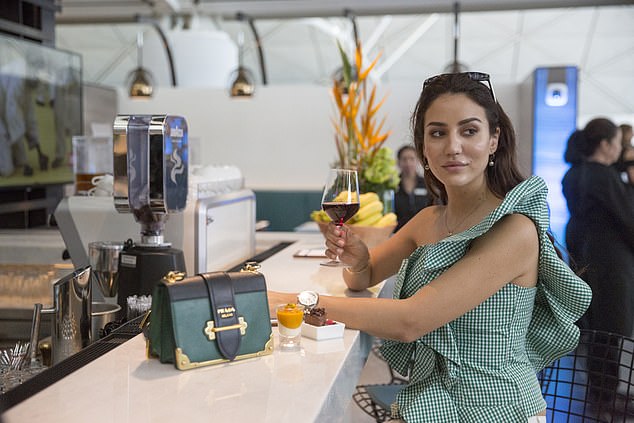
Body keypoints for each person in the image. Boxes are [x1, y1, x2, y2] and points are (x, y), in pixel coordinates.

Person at [269, 72, 591, 422]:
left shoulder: (515, 229)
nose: (452, 147)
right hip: (431, 403)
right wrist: (359, 259)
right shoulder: (429, 220)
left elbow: (411, 320)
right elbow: (362, 280)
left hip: (496, 408)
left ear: (494, 140)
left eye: (469, 131)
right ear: (423, 147)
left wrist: (295, 301)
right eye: (437, 133)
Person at [562, 118, 634, 407]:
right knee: (611, 328)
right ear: (605, 145)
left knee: (599, 329)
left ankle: (602, 390)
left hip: (589, 255)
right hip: (610, 262)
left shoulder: (576, 173)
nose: (620, 148)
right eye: (618, 142)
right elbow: (628, 218)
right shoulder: (603, 177)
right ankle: (607, 394)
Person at [393, 144, 432, 231]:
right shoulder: (391, 185)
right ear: (398, 162)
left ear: (418, 161)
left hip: (423, 231)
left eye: (411, 159)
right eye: (404, 159)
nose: (408, 163)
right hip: (398, 233)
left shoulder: (428, 184)